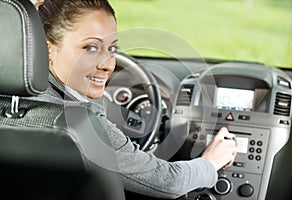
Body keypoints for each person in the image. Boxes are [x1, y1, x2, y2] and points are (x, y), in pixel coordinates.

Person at [34, 0, 237, 199]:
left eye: (112, 49)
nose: (108, 65)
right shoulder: (82, 122)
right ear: (48, 47)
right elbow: (169, 182)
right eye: (91, 48)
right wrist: (211, 162)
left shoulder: (6, 101)